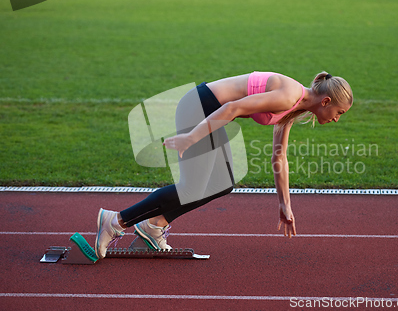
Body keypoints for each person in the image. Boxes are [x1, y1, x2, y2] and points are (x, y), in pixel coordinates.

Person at [95, 71, 353, 258]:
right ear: (326, 102)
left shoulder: (294, 108)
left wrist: (285, 204)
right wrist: (191, 137)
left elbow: (279, 157)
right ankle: (116, 221)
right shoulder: (289, 96)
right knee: (191, 188)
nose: (337, 120)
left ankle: (153, 225)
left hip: (209, 113)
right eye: (339, 113)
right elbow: (233, 107)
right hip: (199, 107)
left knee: (222, 184)